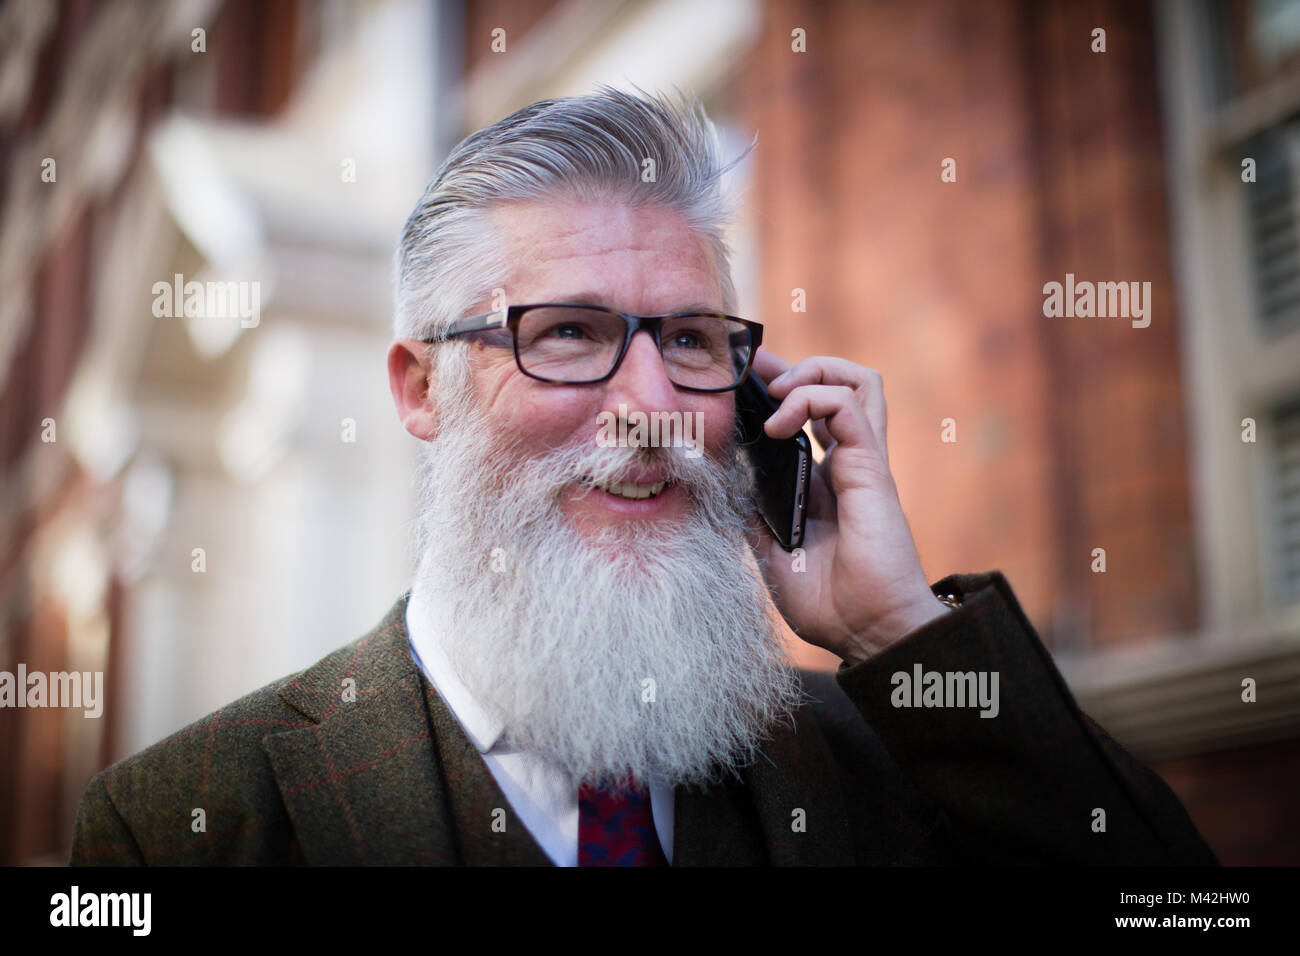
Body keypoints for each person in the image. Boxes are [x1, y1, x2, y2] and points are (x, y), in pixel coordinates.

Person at [71, 87, 1217, 867]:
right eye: (565, 333)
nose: (655, 410)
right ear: (420, 388)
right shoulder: (183, 818)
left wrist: (894, 630)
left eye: (687, 340)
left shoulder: (883, 750)